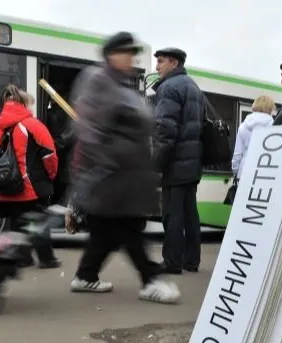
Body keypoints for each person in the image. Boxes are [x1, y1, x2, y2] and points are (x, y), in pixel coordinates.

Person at [68, 32, 180, 304]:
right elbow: (90, 128)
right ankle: (149, 280)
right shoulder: (99, 81)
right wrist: (106, 162)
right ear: (112, 55)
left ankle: (86, 275)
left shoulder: (118, 84)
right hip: (114, 174)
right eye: (127, 53)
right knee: (128, 228)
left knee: (105, 231)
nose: (132, 58)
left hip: (121, 172)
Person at [0, 84, 61, 269]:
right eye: (31, 105)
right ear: (24, 105)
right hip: (31, 186)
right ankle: (47, 259)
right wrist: (50, 176)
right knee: (39, 220)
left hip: (7, 185)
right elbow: (49, 155)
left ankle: (22, 257)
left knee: (17, 222)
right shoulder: (33, 125)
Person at [151, 47, 205, 274]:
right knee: (190, 214)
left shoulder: (169, 88)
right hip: (192, 163)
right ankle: (191, 260)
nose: (157, 67)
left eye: (161, 61)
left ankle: (172, 262)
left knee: (172, 215)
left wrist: (156, 166)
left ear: (174, 63)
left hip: (175, 163)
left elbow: (165, 130)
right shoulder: (194, 87)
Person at [231, 95, 276, 179]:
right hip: (264, 172)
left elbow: (237, 154)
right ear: (270, 108)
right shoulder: (274, 126)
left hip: (244, 171)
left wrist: (235, 171)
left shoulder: (243, 126)